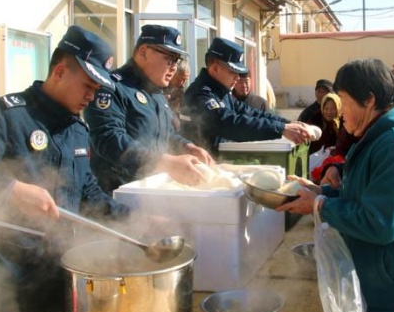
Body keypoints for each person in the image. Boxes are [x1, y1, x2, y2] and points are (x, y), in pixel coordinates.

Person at [0, 26, 131, 312]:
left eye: (97, 89)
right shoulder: (3, 116)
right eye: (88, 85)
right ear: (60, 71)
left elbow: (89, 194)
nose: (91, 96)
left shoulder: (76, 130)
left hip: (54, 288)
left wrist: (136, 221)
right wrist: (10, 190)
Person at [279, 58, 394, 312]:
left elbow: (380, 223)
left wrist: (319, 205)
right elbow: (363, 194)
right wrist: (321, 191)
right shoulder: (375, 138)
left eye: (344, 101)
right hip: (380, 280)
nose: (340, 111)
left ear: (369, 100)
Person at [84, 24, 213, 193]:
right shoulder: (112, 87)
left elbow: (165, 135)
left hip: (152, 189)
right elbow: (108, 139)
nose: (174, 67)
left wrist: (188, 147)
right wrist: (165, 163)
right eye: (169, 59)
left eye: (177, 60)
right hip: (116, 194)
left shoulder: (157, 93)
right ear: (143, 52)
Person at [180, 37, 311, 155]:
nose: (238, 77)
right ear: (215, 69)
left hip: (216, 160)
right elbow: (229, 123)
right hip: (197, 164)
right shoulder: (201, 94)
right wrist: (280, 129)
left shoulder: (221, 92)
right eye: (233, 71)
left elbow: (248, 112)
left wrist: (286, 123)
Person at [165, 59, 190, 130]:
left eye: (185, 80)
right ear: (172, 73)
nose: (182, 83)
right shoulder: (159, 88)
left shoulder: (182, 92)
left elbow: (188, 117)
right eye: (179, 79)